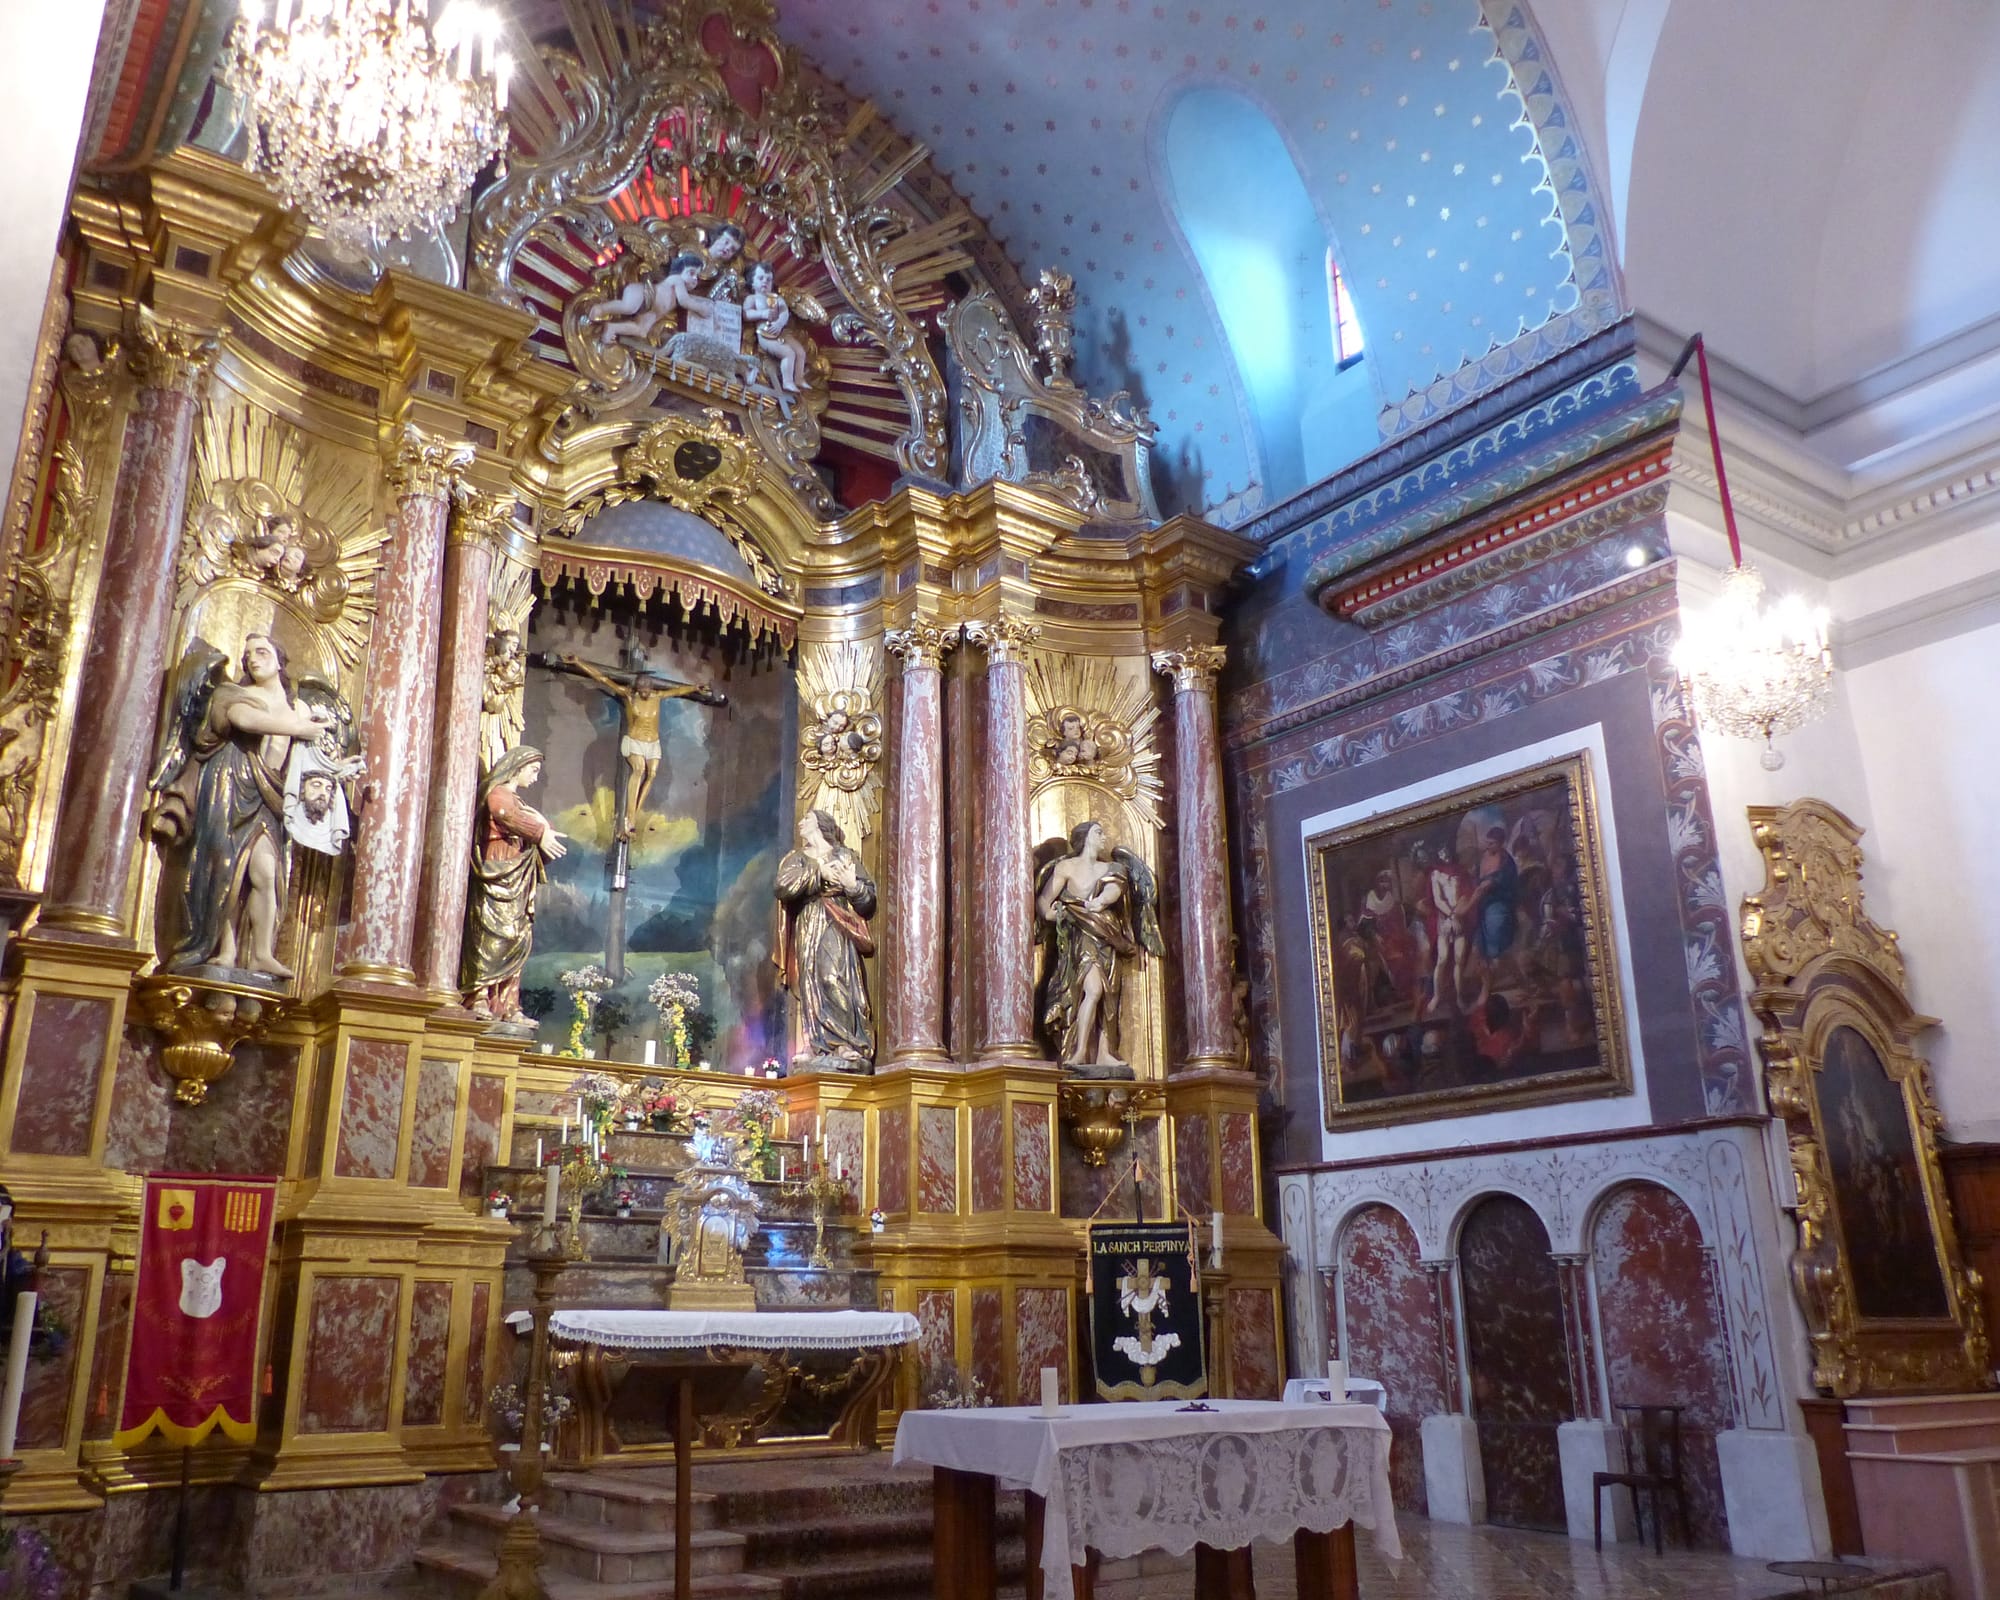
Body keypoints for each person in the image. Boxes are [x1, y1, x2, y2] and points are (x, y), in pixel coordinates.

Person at [150, 633, 338, 977]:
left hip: (270, 795)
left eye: (262, 652)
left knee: (265, 871)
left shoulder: (300, 708)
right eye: (248, 654)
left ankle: (261, 953)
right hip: (227, 783)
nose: (253, 659)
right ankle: (223, 949)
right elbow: (246, 721)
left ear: (280, 661)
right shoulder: (232, 694)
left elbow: (311, 760)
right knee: (222, 867)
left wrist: (336, 770)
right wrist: (299, 729)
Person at [553, 646, 724, 840]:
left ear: (650, 688)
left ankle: (632, 815)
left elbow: (677, 691)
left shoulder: (657, 697)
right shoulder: (628, 695)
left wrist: (694, 688)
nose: (644, 693)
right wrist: (578, 663)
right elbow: (602, 678)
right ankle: (629, 819)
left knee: (651, 774)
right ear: (637, 688)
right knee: (639, 770)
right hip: (634, 741)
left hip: (653, 743)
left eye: (646, 690)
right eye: (641, 690)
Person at [1036, 819, 1163, 1074]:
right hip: (1080, 938)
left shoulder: (1113, 868)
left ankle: (1105, 1052)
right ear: (1084, 838)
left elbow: (1113, 892)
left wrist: (1099, 904)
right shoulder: (1066, 867)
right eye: (1098, 833)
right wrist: (1062, 915)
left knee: (1109, 995)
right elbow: (1044, 903)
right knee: (1093, 990)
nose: (1104, 837)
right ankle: (1080, 1050)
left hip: (1108, 937)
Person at [461, 745, 567, 1022]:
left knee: (517, 936)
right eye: (533, 771)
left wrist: (543, 830)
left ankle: (509, 1006)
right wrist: (539, 831)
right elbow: (505, 815)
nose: (534, 778)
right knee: (492, 934)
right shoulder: (497, 793)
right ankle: (479, 996)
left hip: (518, 878)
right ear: (517, 767)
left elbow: (534, 827)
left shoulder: (520, 802)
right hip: (498, 870)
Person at [774, 809, 878, 1069]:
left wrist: (852, 886)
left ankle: (845, 1041)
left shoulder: (844, 855)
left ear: (820, 825)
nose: (800, 822)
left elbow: (867, 900)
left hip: (837, 919)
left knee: (831, 977)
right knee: (810, 983)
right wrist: (819, 873)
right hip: (808, 921)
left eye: (806, 819)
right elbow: (782, 887)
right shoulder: (797, 858)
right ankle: (816, 1044)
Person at [589, 252, 708, 345]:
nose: (695, 279)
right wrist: (701, 308)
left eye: (697, 276)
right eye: (691, 273)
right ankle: (601, 308)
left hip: (651, 311)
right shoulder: (677, 280)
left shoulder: (679, 294)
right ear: (678, 271)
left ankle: (612, 328)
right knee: (628, 307)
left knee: (642, 331)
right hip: (644, 293)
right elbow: (685, 301)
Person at [743, 261, 810, 391]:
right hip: (765, 333)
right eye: (761, 278)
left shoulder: (776, 298)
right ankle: (787, 381)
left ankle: (799, 378)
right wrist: (762, 313)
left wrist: (779, 323)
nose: (765, 282)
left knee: (800, 352)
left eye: (768, 279)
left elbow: (784, 313)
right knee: (788, 353)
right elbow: (746, 314)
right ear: (752, 281)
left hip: (781, 331)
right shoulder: (752, 299)